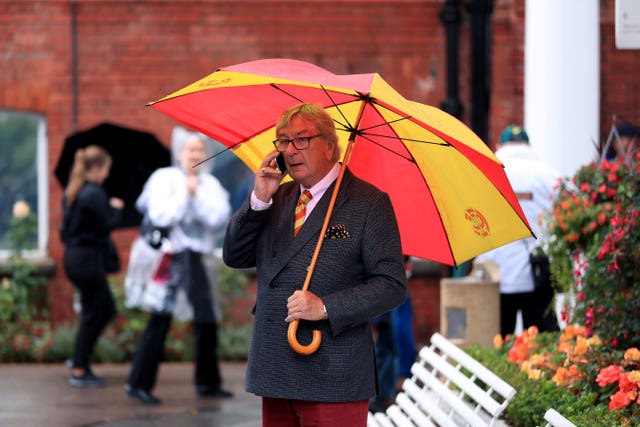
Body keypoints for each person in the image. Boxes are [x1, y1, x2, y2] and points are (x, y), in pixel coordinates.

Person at [223, 103, 408, 426]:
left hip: (333, 372)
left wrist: (325, 307)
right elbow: (235, 256)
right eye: (282, 141)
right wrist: (259, 200)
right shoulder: (276, 198)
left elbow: (391, 285)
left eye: (301, 139)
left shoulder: (369, 203)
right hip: (276, 365)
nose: (290, 150)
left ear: (330, 145)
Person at [124, 133, 232, 405]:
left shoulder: (211, 184)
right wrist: (185, 193)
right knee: (160, 320)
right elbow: (160, 216)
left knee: (206, 321)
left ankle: (208, 382)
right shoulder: (164, 178)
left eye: (200, 149)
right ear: (179, 152)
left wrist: (196, 194)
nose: (195, 154)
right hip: (171, 258)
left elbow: (219, 219)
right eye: (190, 149)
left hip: (198, 259)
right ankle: (139, 383)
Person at [475, 125, 560, 336]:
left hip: (495, 273)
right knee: (541, 344)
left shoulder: (484, 172)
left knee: (497, 341)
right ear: (528, 146)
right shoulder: (549, 175)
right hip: (538, 274)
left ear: (499, 146)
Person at [62, 145, 124, 388]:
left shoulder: (73, 192)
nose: (107, 174)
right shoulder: (93, 194)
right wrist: (116, 209)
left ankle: (79, 361)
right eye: (106, 169)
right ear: (96, 167)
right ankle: (79, 368)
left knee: (92, 311)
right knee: (102, 310)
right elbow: (107, 224)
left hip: (75, 258)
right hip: (87, 260)